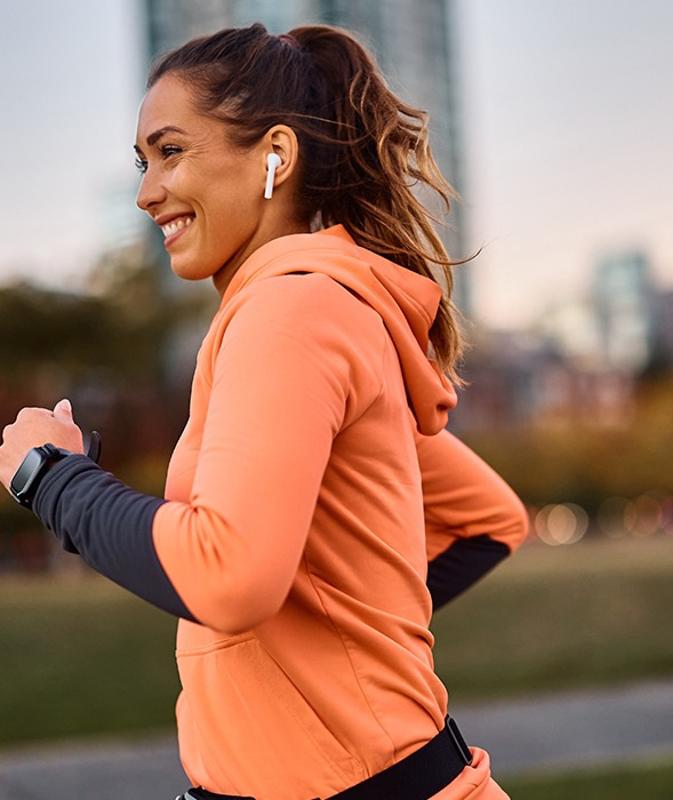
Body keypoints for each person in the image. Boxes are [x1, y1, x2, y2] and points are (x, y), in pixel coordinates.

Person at [0, 22, 529, 800]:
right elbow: (491, 517)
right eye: (141, 162)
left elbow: (230, 576)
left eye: (171, 151)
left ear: (275, 154)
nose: (147, 191)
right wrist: (330, 631)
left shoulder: (290, 314)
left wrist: (50, 476)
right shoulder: (318, 311)